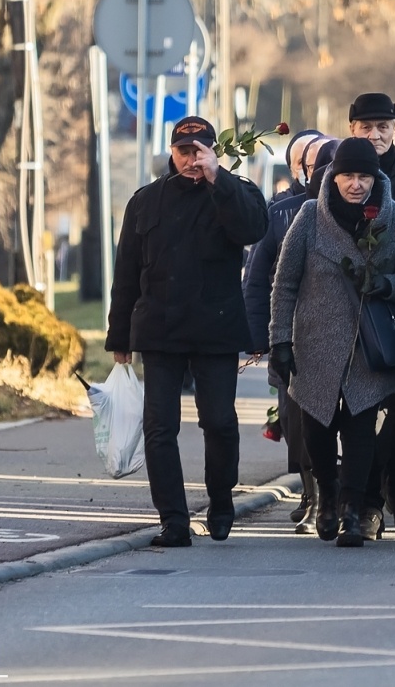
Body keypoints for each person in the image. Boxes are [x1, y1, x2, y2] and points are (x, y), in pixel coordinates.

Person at [107, 116, 269, 548]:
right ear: (171, 154)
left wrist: (219, 179)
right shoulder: (145, 201)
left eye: (201, 151)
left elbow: (254, 228)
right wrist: (118, 337)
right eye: (185, 152)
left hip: (216, 328)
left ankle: (220, 502)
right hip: (159, 329)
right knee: (160, 427)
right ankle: (173, 520)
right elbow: (126, 273)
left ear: (214, 152)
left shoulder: (236, 192)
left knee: (218, 422)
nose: (193, 160)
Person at [267, 138, 395, 547]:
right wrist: (280, 339)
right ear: (334, 176)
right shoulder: (311, 216)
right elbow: (285, 282)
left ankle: (352, 509)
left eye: (363, 176)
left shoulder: (394, 218)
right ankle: (327, 494)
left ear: (375, 176)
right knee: (316, 426)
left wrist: (387, 284)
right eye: (348, 175)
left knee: (360, 426)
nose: (355, 184)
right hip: (315, 339)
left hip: (369, 342)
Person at [345, 93, 395, 537]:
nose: (374, 135)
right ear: (352, 128)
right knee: (364, 407)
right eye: (365, 127)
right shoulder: (338, 174)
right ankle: (366, 501)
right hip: (353, 314)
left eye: (383, 126)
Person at [244, 132, 333, 526]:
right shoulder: (283, 213)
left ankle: (347, 497)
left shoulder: (374, 210)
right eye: (316, 166)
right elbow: (261, 280)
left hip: (347, 338)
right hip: (295, 335)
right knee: (297, 420)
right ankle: (312, 493)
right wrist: (261, 338)